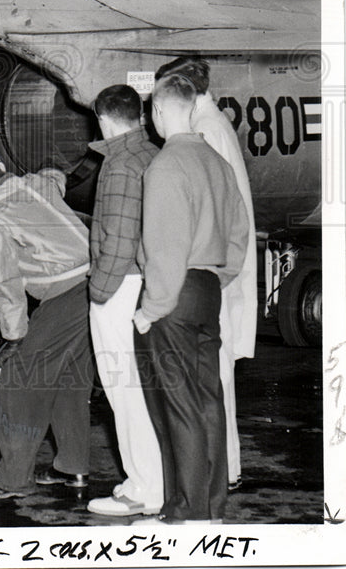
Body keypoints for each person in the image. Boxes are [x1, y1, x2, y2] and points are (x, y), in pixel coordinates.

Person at [133, 73, 249, 524]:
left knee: (178, 405)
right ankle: (212, 507)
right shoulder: (216, 162)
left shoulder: (164, 166)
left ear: (159, 111)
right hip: (207, 291)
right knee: (207, 401)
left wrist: (150, 309)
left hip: (174, 296)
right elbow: (239, 234)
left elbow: (165, 247)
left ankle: (184, 511)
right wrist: (220, 277)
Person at [0, 145, 93, 502]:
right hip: (99, 286)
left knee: (20, 382)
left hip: (65, 294)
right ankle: (72, 466)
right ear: (1, 166)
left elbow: (4, 283)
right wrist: (54, 170)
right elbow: (55, 179)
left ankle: (13, 479)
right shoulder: (36, 184)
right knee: (69, 380)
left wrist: (14, 338)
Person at [155, 56, 257, 492]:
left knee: (208, 389)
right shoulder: (214, 125)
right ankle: (220, 473)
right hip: (218, 272)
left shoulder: (205, 132)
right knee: (212, 385)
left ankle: (221, 472)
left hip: (208, 273)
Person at [86, 86, 163, 517]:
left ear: (103, 118)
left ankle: (144, 489)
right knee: (144, 387)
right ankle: (148, 479)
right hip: (145, 283)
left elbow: (117, 241)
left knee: (124, 389)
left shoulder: (118, 164)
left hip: (119, 287)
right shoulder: (152, 153)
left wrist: (98, 292)